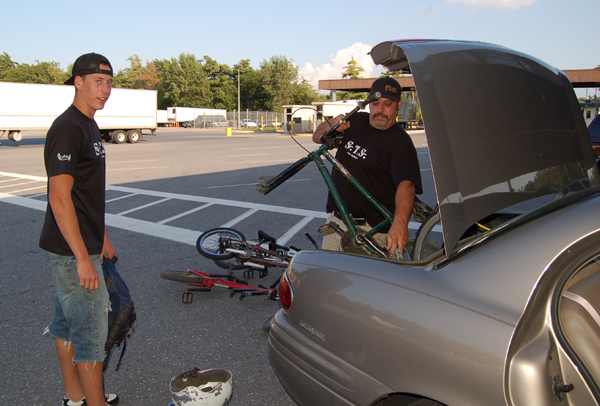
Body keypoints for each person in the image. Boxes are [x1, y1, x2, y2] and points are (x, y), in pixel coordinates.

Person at [39, 53, 119, 406]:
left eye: (109, 83)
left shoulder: (88, 124)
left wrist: (101, 237)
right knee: (91, 337)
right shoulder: (69, 127)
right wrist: (82, 258)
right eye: (98, 82)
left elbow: (85, 193)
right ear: (78, 82)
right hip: (74, 254)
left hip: (82, 246)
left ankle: (76, 398)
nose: (105, 90)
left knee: (65, 326)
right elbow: (59, 198)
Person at [312, 76, 423, 256]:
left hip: (374, 233)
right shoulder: (355, 121)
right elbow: (317, 137)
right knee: (331, 280)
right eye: (375, 103)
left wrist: (400, 223)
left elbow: (407, 185)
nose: (380, 110)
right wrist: (333, 124)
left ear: (398, 104)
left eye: (387, 104)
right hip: (337, 224)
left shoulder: (401, 143)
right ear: (368, 103)